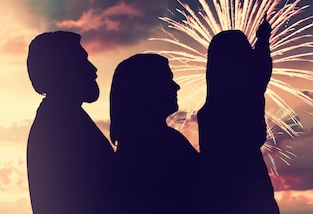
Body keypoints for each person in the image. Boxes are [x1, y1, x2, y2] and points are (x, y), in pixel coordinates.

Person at [26, 31, 115, 214]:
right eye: (82, 61)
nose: (94, 69)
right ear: (64, 70)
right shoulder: (60, 127)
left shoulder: (61, 119)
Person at [198, 16, 280, 214]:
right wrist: (263, 38)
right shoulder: (248, 94)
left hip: (221, 191)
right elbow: (260, 70)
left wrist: (262, 39)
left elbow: (259, 69)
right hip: (249, 183)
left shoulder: (209, 112)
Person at [110, 53, 200, 214]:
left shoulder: (135, 146)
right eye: (167, 79)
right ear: (147, 87)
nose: (176, 86)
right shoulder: (164, 144)